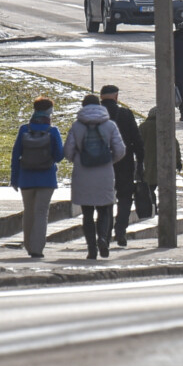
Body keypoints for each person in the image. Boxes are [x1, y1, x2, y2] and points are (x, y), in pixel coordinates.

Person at [62, 93, 126, 259]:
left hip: (83, 174)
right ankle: (103, 238)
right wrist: (109, 160)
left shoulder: (77, 126)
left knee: (87, 213)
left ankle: (91, 248)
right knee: (104, 210)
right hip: (104, 173)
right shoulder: (110, 125)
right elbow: (120, 150)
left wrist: (78, 159)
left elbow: (67, 151)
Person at [9, 96, 63, 258]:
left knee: (29, 212)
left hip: (26, 178)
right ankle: (37, 248)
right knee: (41, 212)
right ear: (49, 113)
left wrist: (14, 178)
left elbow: (15, 155)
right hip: (46, 179)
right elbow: (59, 156)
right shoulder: (52, 131)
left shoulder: (24, 130)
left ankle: (28, 245)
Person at [99, 85, 144, 248]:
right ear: (116, 97)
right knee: (125, 198)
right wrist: (140, 160)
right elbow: (137, 139)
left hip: (101, 164)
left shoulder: (96, 116)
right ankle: (120, 231)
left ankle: (106, 231)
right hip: (124, 162)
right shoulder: (125, 114)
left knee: (105, 199)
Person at [141, 103, 181, 214]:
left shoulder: (144, 127)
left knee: (150, 187)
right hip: (165, 164)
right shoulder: (165, 127)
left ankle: (153, 206)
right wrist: (178, 161)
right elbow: (175, 145)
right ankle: (164, 208)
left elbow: (136, 144)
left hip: (149, 163)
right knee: (165, 188)